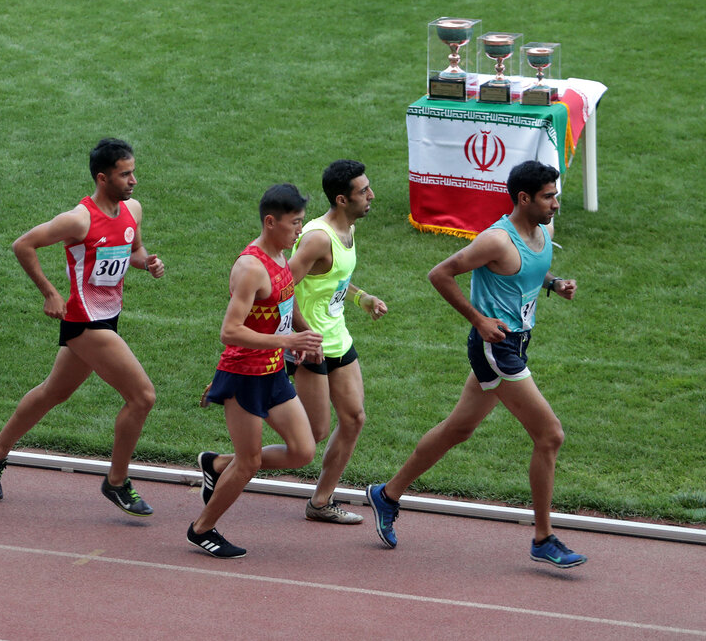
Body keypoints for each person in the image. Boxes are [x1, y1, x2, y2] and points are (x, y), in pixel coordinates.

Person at [367, 160, 587, 569]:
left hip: (517, 343)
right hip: (495, 349)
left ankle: (387, 494)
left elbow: (527, 271)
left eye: (556, 195)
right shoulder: (496, 241)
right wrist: (478, 319)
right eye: (548, 196)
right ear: (524, 198)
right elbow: (440, 274)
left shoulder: (543, 231)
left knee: (458, 429)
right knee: (550, 436)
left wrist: (554, 283)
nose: (556, 203)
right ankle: (543, 537)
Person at [0, 137, 164, 516]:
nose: (133, 181)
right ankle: (116, 482)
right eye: (125, 174)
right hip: (84, 321)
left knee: (52, 393)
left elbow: (133, 251)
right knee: (142, 397)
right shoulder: (79, 219)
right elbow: (22, 245)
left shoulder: (133, 210)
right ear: (102, 177)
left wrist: (147, 263)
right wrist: (49, 292)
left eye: (133, 172)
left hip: (108, 317)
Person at [189, 184, 323, 558]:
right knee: (249, 462)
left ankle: (216, 465)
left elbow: (285, 300)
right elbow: (229, 331)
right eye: (295, 223)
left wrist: (303, 334)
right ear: (270, 221)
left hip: (274, 372)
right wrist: (287, 343)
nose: (300, 230)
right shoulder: (250, 267)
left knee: (303, 450)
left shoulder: (282, 256)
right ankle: (202, 528)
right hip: (245, 375)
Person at [284, 160, 388, 524]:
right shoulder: (317, 237)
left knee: (355, 418)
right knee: (312, 437)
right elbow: (283, 287)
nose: (371, 195)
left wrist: (363, 299)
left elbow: (334, 282)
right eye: (363, 191)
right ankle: (222, 466)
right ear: (342, 199)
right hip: (313, 346)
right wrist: (300, 336)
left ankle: (320, 501)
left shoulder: (348, 229)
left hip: (338, 339)